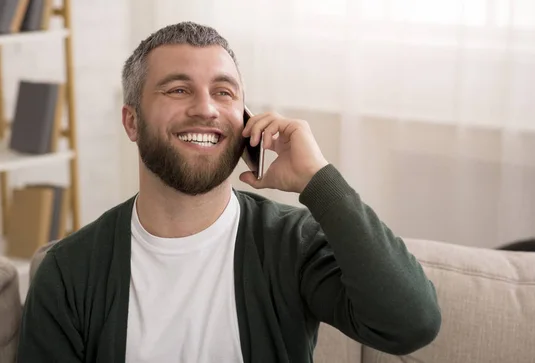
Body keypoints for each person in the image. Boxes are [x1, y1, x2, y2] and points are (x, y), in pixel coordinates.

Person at [17, 22, 441, 363]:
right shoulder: (69, 272)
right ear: (131, 122)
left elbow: (411, 324)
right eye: (178, 89)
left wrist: (319, 181)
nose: (206, 108)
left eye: (224, 92)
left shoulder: (292, 244)